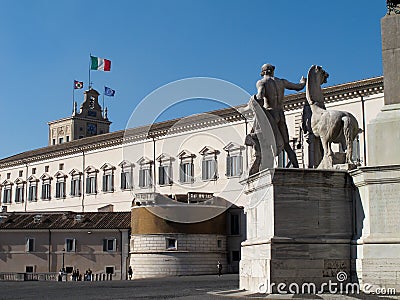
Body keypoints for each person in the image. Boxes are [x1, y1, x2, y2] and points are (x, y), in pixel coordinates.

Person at [254, 63, 306, 168]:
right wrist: (303, 82)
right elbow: (299, 87)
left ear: (263, 72)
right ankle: (296, 167)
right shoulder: (282, 82)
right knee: (287, 144)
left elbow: (260, 96)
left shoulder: (262, 82)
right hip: (281, 114)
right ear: (272, 71)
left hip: (271, 114)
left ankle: (265, 167)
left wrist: (253, 102)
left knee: (267, 144)